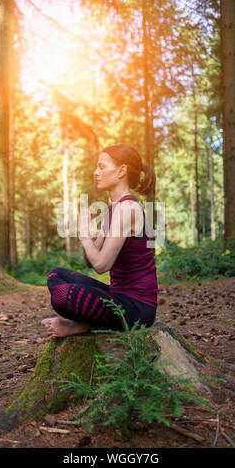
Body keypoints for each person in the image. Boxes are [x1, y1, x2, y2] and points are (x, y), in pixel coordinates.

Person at [41, 143, 158, 337]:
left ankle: (83, 325)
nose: (96, 173)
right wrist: (90, 236)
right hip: (118, 296)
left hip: (138, 308)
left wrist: (86, 238)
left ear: (121, 171)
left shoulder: (127, 207)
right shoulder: (114, 209)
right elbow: (91, 260)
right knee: (56, 276)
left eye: (102, 167)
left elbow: (102, 265)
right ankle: (85, 323)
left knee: (62, 296)